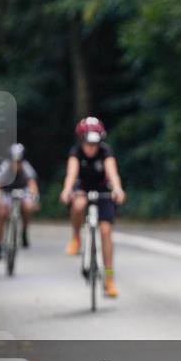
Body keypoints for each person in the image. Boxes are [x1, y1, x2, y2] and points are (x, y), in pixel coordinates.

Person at [59, 117, 127, 298]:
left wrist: (118, 189)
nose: (91, 148)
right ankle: (76, 238)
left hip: (103, 189)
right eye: (88, 143)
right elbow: (71, 174)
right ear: (81, 141)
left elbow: (113, 173)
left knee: (105, 231)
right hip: (82, 187)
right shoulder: (75, 152)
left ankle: (109, 279)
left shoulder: (105, 151)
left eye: (95, 144)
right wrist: (67, 190)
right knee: (79, 204)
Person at [0, 143, 40, 259]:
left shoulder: (26, 167)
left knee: (28, 207)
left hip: (23, 191)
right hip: (7, 193)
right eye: (14, 161)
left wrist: (34, 199)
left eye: (19, 161)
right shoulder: (5, 167)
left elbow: (32, 185)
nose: (16, 164)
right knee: (2, 214)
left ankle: (24, 232)